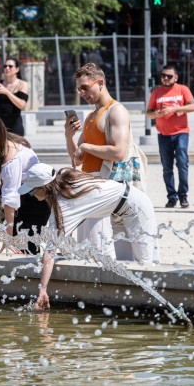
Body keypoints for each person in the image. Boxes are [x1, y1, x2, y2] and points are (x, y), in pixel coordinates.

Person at [19, 164, 159, 310]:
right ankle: (134, 310)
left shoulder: (64, 204)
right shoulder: (63, 178)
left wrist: (42, 290)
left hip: (137, 207)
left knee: (145, 264)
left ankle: (156, 310)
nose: (31, 195)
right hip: (118, 211)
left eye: (31, 191)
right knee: (125, 265)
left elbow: (49, 253)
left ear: (43, 188)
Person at [65, 62, 131, 257]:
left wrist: (86, 146)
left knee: (101, 250)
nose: (82, 93)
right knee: (87, 248)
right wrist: (69, 137)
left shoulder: (116, 110)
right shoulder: (92, 116)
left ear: (100, 83)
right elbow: (77, 158)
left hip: (107, 188)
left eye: (85, 87)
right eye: (79, 89)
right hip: (90, 188)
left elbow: (119, 152)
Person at [0, 112, 50, 254]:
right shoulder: (11, 142)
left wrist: (9, 239)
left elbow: (10, 201)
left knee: (26, 251)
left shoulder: (10, 159)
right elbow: (17, 177)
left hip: (35, 202)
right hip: (34, 195)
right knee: (26, 250)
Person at [146, 64, 194, 208]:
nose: (166, 78)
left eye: (169, 76)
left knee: (182, 163)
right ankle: (171, 196)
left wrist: (174, 109)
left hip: (181, 132)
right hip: (163, 135)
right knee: (167, 167)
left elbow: (193, 106)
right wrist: (157, 114)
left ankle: (183, 195)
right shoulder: (156, 92)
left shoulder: (183, 89)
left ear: (176, 77)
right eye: (163, 76)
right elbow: (149, 112)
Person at [0, 58, 29, 136]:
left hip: (14, 126)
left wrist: (7, 92)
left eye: (10, 66)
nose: (7, 68)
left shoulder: (22, 84)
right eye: (5, 66)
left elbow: (21, 105)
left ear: (17, 69)